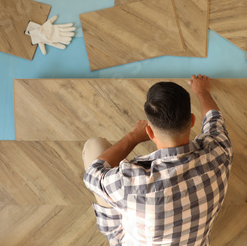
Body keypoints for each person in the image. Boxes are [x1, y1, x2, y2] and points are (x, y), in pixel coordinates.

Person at [83, 74, 233, 246]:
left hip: (128, 235)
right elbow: (214, 120)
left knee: (94, 145)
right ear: (192, 120)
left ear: (150, 132)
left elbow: (93, 174)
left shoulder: (129, 183)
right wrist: (202, 92)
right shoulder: (220, 153)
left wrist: (132, 137)